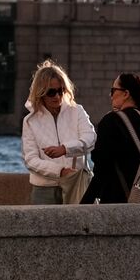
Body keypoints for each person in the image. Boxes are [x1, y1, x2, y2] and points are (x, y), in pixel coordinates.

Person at [81, 72, 140, 204]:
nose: (111, 96)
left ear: (126, 94)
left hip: (118, 202)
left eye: (113, 90)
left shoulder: (111, 121)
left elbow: (101, 170)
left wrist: (84, 204)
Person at [21, 60, 96, 205]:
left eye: (61, 91)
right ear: (40, 93)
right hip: (44, 189)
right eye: (51, 92)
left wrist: (65, 149)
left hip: (76, 183)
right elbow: (30, 159)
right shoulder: (30, 121)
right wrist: (60, 171)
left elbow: (90, 138)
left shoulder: (77, 111)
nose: (57, 96)